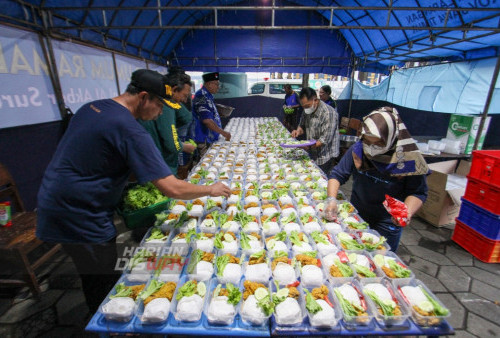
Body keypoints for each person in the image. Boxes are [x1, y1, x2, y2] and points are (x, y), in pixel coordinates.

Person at [36, 69, 230, 315]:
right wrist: (210, 189)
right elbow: (171, 187)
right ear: (144, 97)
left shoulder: (94, 107)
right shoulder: (129, 128)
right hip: (80, 212)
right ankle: (109, 323)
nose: (161, 112)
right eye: (160, 105)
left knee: (92, 270)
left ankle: (105, 311)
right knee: (101, 274)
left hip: (56, 200)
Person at [324, 107, 428, 251]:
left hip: (387, 220)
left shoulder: (409, 159)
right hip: (357, 213)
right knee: (354, 252)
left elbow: (417, 192)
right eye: (367, 141)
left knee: (381, 259)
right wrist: (331, 200)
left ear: (391, 138)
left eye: (378, 143)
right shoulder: (359, 149)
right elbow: (337, 174)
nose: (371, 148)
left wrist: (407, 212)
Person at [139, 68, 196, 176]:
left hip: (150, 163)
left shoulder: (160, 101)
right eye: (184, 95)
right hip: (160, 167)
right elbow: (172, 144)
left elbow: (186, 117)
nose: (184, 100)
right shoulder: (165, 106)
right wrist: (184, 147)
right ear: (174, 89)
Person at [291, 87, 340, 175]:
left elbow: (324, 140)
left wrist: (307, 147)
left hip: (325, 154)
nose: (305, 109)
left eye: (307, 106)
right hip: (313, 150)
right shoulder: (306, 111)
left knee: (322, 176)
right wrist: (298, 131)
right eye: (303, 107)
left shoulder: (329, 113)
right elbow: (302, 125)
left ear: (316, 100)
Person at [192, 72, 231, 159]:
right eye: (216, 84)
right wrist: (223, 132)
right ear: (209, 84)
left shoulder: (208, 95)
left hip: (209, 136)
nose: (218, 87)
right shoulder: (202, 96)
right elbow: (206, 120)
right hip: (203, 137)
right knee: (205, 162)